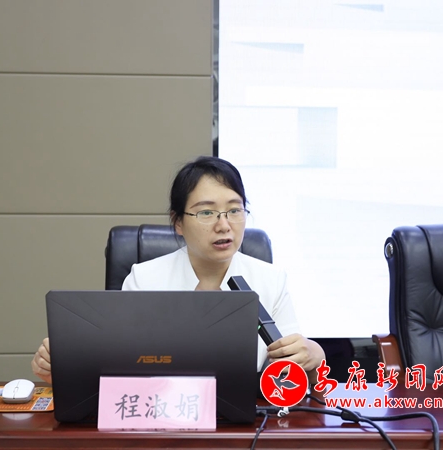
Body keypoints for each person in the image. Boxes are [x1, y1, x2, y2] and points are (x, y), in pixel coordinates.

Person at [32, 156, 325, 385]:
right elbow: (116, 368)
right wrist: (64, 367)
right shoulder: (145, 280)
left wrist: (312, 356)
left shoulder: (271, 280)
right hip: (160, 417)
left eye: (235, 210)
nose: (224, 225)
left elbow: (291, 372)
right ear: (178, 223)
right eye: (207, 212)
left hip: (244, 423)